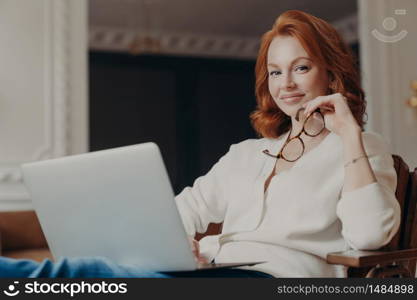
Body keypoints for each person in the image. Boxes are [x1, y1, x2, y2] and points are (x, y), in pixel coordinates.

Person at [0, 10, 400, 278]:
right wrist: (172, 246)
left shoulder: (362, 148)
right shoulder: (246, 154)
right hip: (214, 274)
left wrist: (349, 135)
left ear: (331, 75)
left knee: (70, 278)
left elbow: (369, 236)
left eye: (301, 67)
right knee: (84, 273)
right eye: (275, 72)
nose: (287, 84)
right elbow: (183, 211)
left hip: (279, 280)